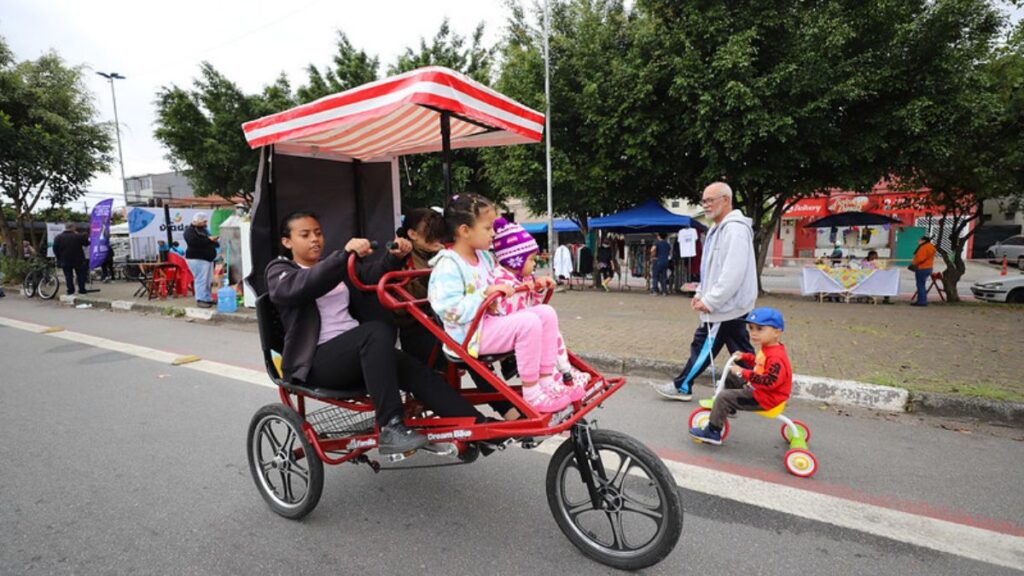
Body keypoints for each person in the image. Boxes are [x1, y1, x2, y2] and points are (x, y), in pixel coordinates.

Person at [267, 211, 482, 455]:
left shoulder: (336, 268)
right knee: (375, 332)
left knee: (416, 370)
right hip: (317, 363)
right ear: (287, 242)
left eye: (318, 233)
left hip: (358, 356)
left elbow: (371, 275)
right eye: (305, 235)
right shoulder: (280, 271)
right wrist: (344, 256)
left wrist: (394, 258)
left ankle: (479, 427)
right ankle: (391, 426)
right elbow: (304, 286)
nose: (315, 239)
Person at [428, 193, 572, 414]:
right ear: (464, 231)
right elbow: (447, 309)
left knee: (545, 312)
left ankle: (547, 381)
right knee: (529, 323)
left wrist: (533, 284)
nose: (493, 234)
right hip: (469, 336)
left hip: (489, 324)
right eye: (487, 228)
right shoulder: (448, 265)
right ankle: (532, 393)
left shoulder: (485, 257)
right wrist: (483, 296)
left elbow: (506, 282)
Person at [654, 182, 757, 401]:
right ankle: (755, 387)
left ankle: (682, 386)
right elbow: (710, 268)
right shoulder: (717, 229)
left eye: (711, 200)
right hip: (729, 305)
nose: (706, 205)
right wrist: (701, 292)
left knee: (703, 346)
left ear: (726, 200)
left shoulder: (734, 230)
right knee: (740, 350)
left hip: (725, 306)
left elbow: (733, 273)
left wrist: (710, 300)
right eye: (704, 201)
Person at [489, 217, 588, 398]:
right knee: (542, 334)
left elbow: (534, 305)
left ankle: (565, 371)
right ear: (515, 261)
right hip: (512, 329)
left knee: (550, 326)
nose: (535, 263)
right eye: (531, 259)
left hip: (525, 324)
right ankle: (558, 376)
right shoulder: (501, 280)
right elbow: (505, 311)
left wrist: (538, 288)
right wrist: (520, 292)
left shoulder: (524, 278)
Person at [689, 307, 792, 445]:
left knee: (723, 397)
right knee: (731, 378)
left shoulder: (776, 358)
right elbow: (759, 363)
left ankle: (713, 432)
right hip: (761, 391)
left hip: (765, 398)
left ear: (777, 332)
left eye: (760, 329)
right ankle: (729, 409)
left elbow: (769, 381)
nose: (753, 333)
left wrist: (743, 372)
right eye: (751, 328)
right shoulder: (770, 348)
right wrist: (745, 356)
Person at [184, 213, 219, 308]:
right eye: (204, 221)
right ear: (198, 221)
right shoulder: (189, 231)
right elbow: (194, 242)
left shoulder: (204, 230)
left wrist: (214, 241)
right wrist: (209, 240)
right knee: (201, 279)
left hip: (207, 259)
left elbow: (208, 241)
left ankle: (207, 298)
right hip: (197, 259)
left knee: (208, 280)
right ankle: (200, 299)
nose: (205, 223)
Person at [52, 223, 93, 295]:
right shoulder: (78, 236)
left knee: (68, 276)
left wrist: (59, 257)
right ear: (73, 227)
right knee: (80, 275)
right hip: (78, 259)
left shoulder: (58, 237)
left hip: (65, 259)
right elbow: (86, 243)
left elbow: (55, 248)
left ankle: (70, 290)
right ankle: (82, 289)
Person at [910, 235, 936, 307]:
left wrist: (914, 263)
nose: (918, 241)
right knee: (922, 285)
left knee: (920, 285)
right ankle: (921, 300)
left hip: (922, 268)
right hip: (929, 267)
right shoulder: (931, 247)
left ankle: (921, 301)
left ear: (923, 241)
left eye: (920, 240)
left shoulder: (924, 248)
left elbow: (920, 258)